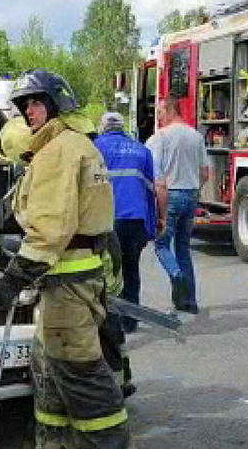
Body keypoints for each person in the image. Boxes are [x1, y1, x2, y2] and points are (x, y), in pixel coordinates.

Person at [0, 69, 130, 449]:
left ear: (58, 103)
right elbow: (14, 215)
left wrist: (11, 280)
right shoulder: (68, 145)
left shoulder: (59, 152)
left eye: (36, 104)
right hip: (66, 284)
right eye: (24, 106)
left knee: (82, 378)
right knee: (49, 377)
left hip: (66, 287)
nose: (29, 113)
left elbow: (49, 231)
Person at [94, 111, 156, 333]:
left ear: (103, 127)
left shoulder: (95, 147)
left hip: (108, 220)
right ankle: (130, 321)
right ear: (122, 127)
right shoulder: (142, 150)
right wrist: (152, 225)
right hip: (136, 220)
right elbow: (151, 191)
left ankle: (111, 320)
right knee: (131, 269)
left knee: (107, 272)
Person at [146, 97, 210, 314]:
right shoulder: (196, 136)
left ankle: (176, 275)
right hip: (191, 194)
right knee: (183, 249)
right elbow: (205, 173)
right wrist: (194, 189)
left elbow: (158, 178)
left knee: (161, 244)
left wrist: (160, 210)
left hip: (170, 195)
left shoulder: (160, 138)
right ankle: (189, 301)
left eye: (160, 111)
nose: (158, 116)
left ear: (171, 110)